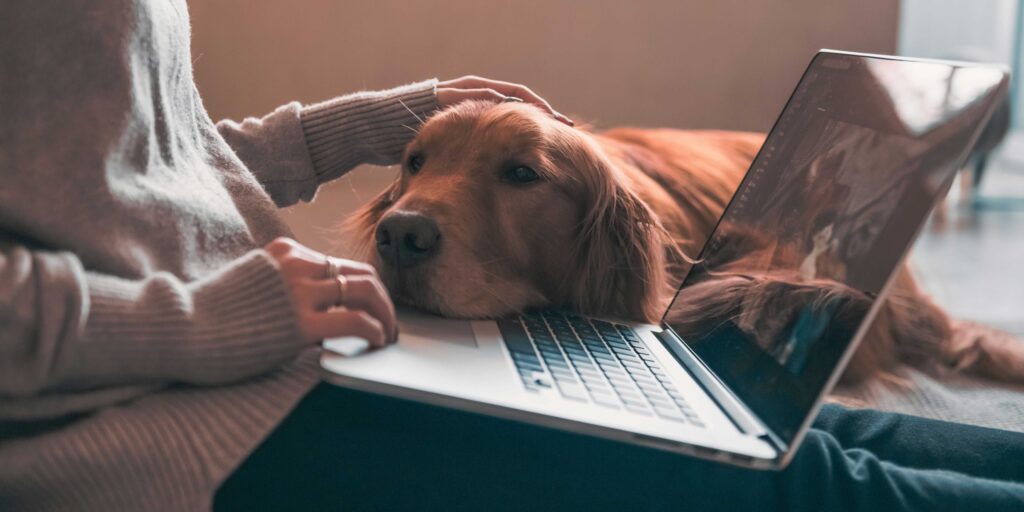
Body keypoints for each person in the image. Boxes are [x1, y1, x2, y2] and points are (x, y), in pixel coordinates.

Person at [2, 2, 1023, 511]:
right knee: (794, 485)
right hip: (147, 412)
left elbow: (129, 155)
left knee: (786, 417)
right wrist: (205, 320)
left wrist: (371, 124)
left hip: (250, 344)